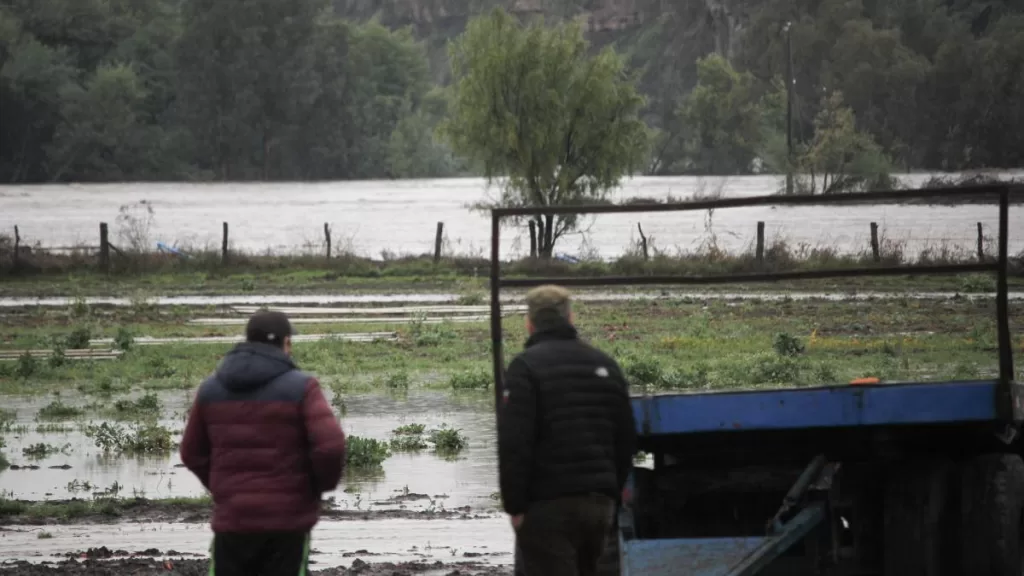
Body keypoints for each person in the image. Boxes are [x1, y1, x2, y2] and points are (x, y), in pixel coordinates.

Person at [180, 310, 347, 576]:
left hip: (233, 520)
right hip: (288, 523)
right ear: (285, 343)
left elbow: (191, 452)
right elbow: (330, 446)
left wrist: (225, 489)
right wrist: (316, 489)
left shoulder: (210, 389)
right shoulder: (303, 388)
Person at [498, 285, 637, 576]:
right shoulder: (606, 365)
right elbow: (625, 439)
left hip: (547, 508)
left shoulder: (524, 368)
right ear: (570, 317)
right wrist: (611, 494)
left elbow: (515, 443)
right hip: (599, 506)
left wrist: (515, 507)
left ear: (529, 322)